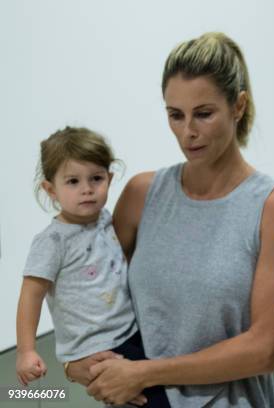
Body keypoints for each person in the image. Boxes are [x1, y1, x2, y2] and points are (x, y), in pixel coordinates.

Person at [64, 32, 274, 407]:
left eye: (204, 114)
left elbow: (263, 349)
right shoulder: (142, 195)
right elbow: (91, 294)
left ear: (238, 106)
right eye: (176, 115)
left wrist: (146, 372)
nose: (188, 131)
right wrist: (73, 361)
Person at [16, 127, 170, 407]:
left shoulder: (105, 219)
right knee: (150, 400)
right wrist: (26, 351)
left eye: (96, 179)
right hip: (100, 349)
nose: (87, 189)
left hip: (134, 332)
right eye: (73, 181)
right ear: (51, 189)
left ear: (109, 179)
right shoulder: (52, 241)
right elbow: (31, 294)